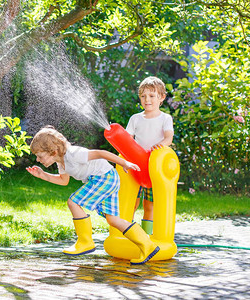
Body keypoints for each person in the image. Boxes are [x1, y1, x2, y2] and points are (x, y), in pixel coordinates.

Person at [26, 126, 160, 264]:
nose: (37, 160)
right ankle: (148, 245)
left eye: (40, 156)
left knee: (73, 202)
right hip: (107, 178)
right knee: (113, 220)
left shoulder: (74, 153)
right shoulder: (61, 162)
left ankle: (85, 241)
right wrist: (43, 175)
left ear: (53, 152)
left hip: (104, 178)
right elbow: (63, 181)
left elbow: (101, 153)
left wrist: (124, 163)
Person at [126, 76, 174, 235]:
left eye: (152, 96)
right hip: (136, 166)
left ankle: (147, 235)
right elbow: (127, 139)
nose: (147, 99)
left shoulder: (165, 118)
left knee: (149, 204)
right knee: (132, 201)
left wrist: (162, 144)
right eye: (143, 96)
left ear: (161, 98)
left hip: (154, 167)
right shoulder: (135, 118)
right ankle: (128, 232)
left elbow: (168, 137)